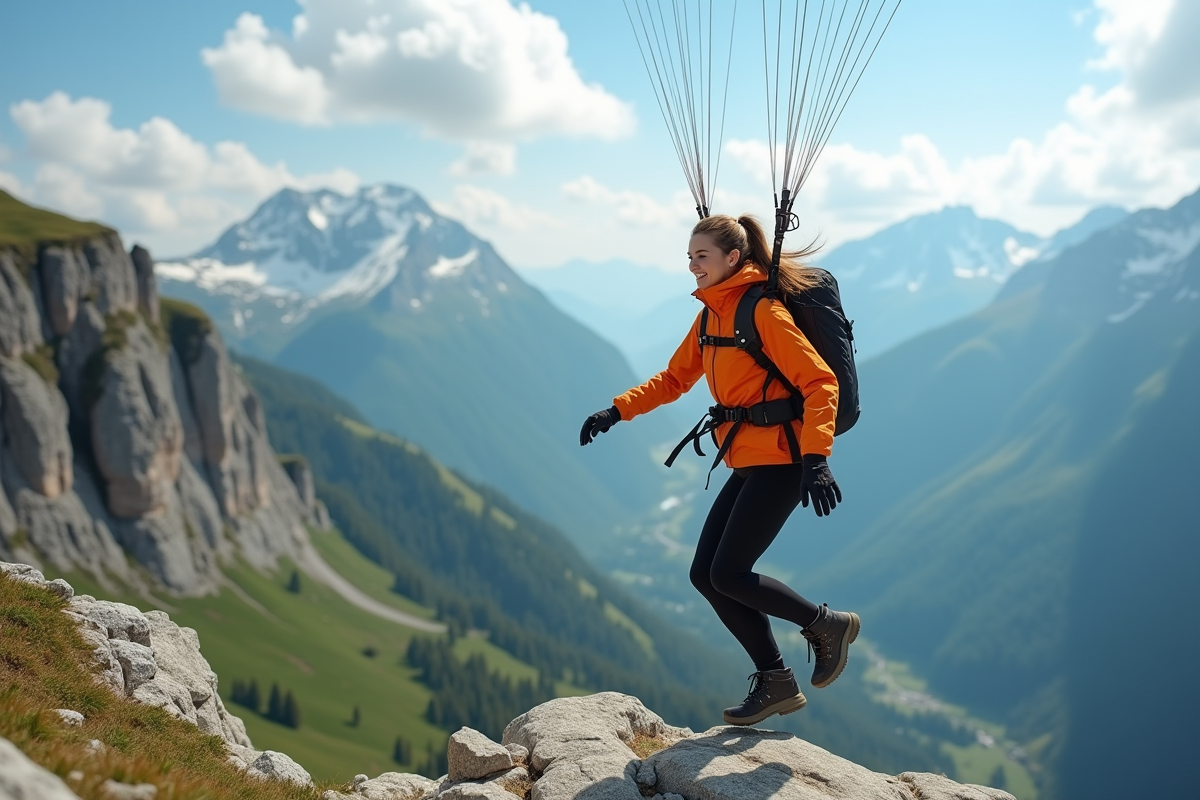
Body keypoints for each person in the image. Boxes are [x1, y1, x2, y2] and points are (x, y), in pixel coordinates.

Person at [579, 214, 859, 726]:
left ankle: (826, 625)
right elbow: (673, 378)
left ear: (733, 258)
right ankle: (776, 679)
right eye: (689, 257)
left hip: (783, 458)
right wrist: (616, 410)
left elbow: (821, 383)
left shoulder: (764, 312)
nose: (691, 266)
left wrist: (817, 459)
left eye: (701, 257)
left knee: (728, 572)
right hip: (748, 456)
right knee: (706, 576)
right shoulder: (711, 315)